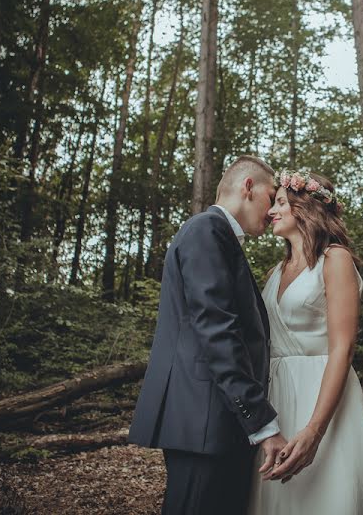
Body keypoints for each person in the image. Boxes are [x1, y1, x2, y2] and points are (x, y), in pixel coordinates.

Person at [127, 156, 288, 515]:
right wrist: (261, 421)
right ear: (248, 187)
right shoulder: (207, 230)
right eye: (271, 195)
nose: (274, 208)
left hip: (215, 417)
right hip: (203, 417)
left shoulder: (219, 236)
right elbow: (217, 330)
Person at [248, 170, 363, 514]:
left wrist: (315, 430)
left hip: (319, 397)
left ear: (304, 207)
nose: (271, 212)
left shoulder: (334, 259)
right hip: (276, 398)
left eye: (280, 203)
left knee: (323, 497)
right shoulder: (276, 271)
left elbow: (343, 348)